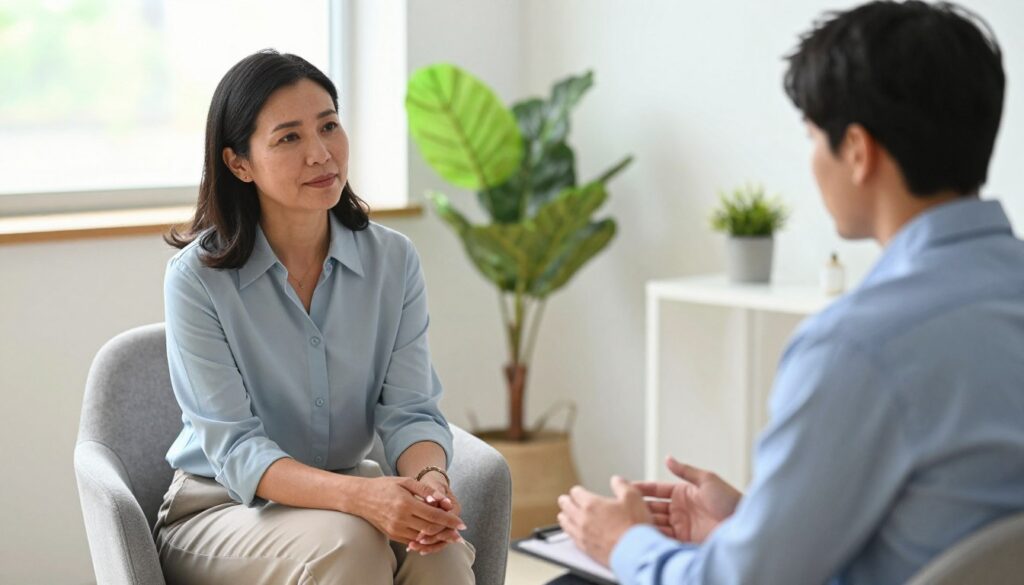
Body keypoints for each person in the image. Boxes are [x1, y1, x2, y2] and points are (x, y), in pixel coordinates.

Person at [551, 2, 1024, 584]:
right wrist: (752, 524)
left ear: (856, 150)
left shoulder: (857, 345)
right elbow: (941, 526)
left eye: (811, 138)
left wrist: (622, 542)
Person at [155, 50, 475, 584]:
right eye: (289, 138)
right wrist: (360, 498)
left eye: (329, 125)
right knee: (350, 543)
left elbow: (410, 411)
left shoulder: (392, 262)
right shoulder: (196, 279)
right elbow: (236, 450)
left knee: (436, 549)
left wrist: (430, 481)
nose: (321, 153)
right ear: (239, 163)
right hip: (222, 510)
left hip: (347, 496)